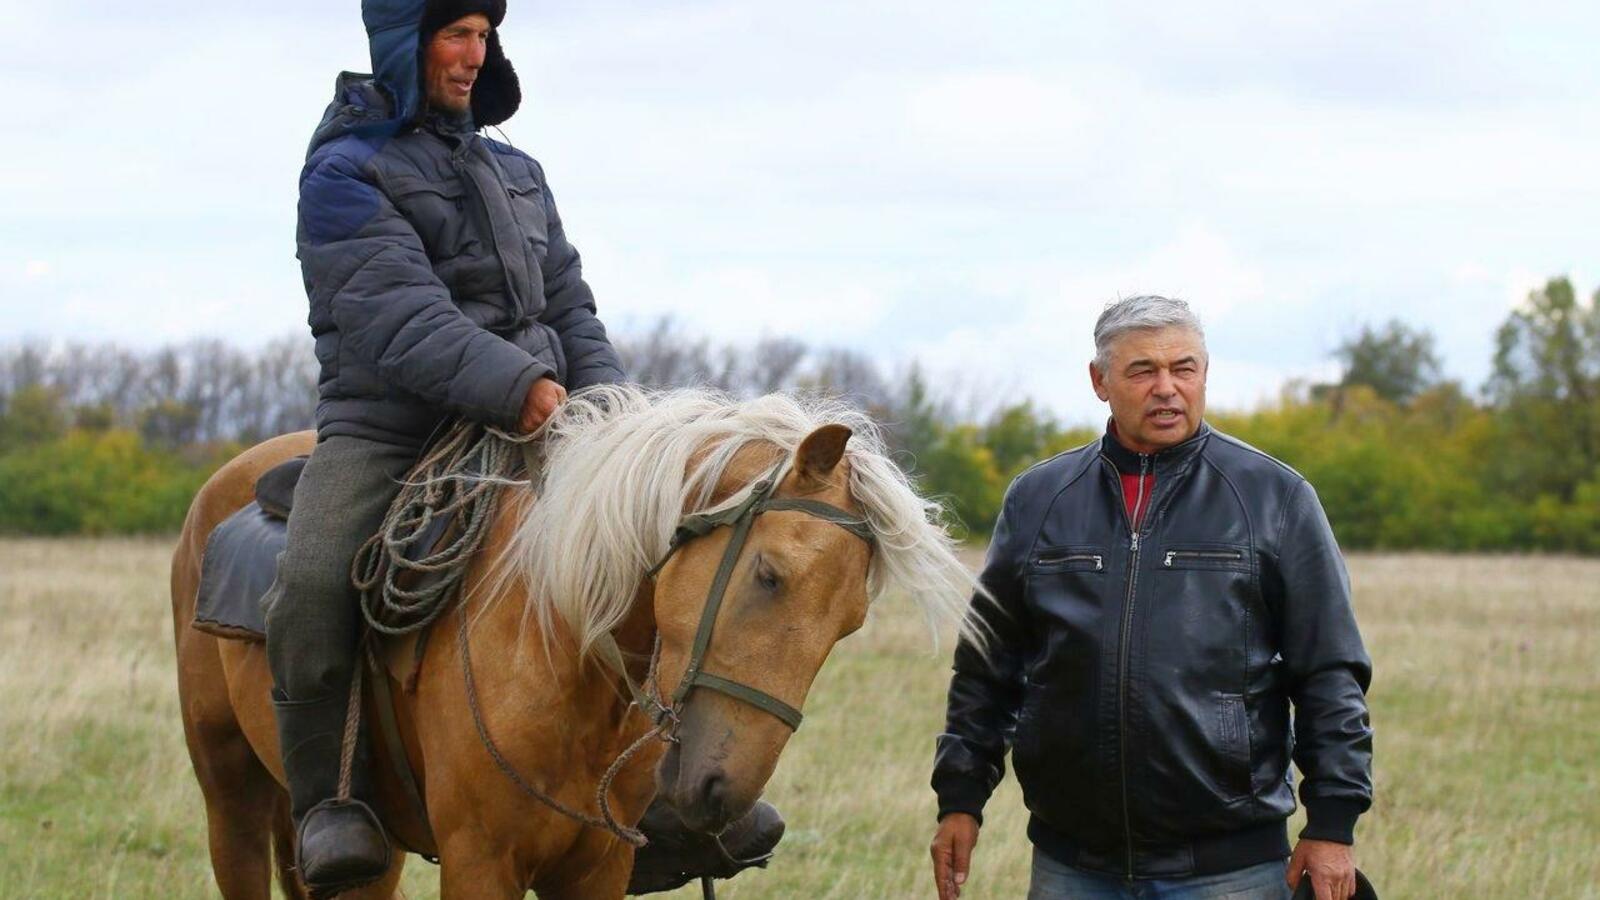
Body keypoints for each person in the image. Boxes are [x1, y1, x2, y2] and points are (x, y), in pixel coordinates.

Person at [263, 0, 623, 893]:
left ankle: (659, 793)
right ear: (404, 42)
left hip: (535, 417)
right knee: (310, 586)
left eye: (484, 35)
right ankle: (330, 804)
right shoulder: (344, 173)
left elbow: (568, 303)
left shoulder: (519, 171)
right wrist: (524, 388)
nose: (474, 55)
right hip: (391, 428)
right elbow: (397, 314)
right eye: (454, 34)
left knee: (657, 555)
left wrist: (614, 411)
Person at [928, 296, 1373, 900]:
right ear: (1100, 381)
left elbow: (1329, 672)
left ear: (1205, 374)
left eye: (1183, 368)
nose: (1167, 388)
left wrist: (1332, 825)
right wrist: (960, 799)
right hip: (1072, 864)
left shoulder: (1276, 498)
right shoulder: (1037, 500)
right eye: (1143, 371)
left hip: (1231, 867)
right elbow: (987, 666)